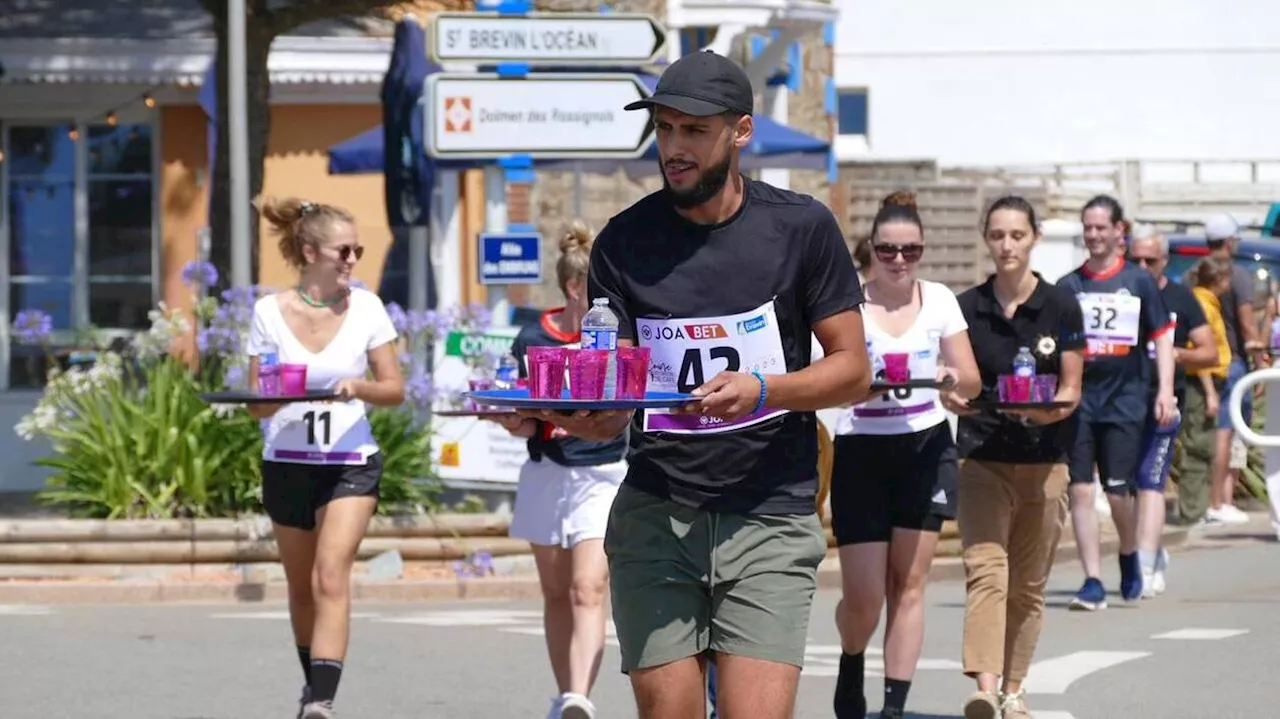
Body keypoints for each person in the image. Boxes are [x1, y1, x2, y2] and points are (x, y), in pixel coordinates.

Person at [524, 49, 872, 719]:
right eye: (665, 129)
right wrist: (570, 416)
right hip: (658, 510)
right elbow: (615, 395)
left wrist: (764, 390)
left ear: (740, 132)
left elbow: (853, 369)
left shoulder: (801, 229)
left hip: (770, 508)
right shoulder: (623, 244)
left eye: (693, 131)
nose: (674, 148)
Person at [244, 197, 405, 719]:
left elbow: (394, 389)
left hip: (349, 462)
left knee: (329, 576)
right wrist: (283, 394)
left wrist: (356, 386)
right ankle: (311, 684)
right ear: (310, 251)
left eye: (358, 250)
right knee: (300, 586)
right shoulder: (268, 312)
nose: (353, 259)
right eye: (344, 250)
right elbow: (256, 404)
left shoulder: (368, 308)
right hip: (287, 461)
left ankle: (321, 701)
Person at [829, 190, 982, 719]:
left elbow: (972, 380)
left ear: (922, 252)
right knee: (865, 594)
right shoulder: (846, 299)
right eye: (888, 250)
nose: (898, 261)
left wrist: (949, 381)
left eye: (910, 251)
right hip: (862, 451)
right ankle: (852, 658)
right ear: (870, 249)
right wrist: (858, 386)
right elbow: (823, 379)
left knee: (909, 583)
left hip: (925, 446)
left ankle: (894, 707)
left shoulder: (939, 299)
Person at [943, 196, 1085, 719]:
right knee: (987, 572)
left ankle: (1014, 688)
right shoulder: (966, 307)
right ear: (986, 238)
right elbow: (953, 380)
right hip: (981, 455)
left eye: (1017, 235)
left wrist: (1046, 412)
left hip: (1046, 458)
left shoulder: (1061, 305)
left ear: (1034, 238)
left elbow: (1071, 390)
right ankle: (985, 686)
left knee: (1027, 585)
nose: (1007, 245)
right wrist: (950, 396)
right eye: (998, 235)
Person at [491, 221, 628, 719]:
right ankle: (564, 692)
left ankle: (579, 698)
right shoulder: (533, 337)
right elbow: (526, 423)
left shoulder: (616, 335)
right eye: (601, 287)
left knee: (587, 586)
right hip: (548, 473)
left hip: (605, 473)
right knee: (554, 591)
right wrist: (512, 422)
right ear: (575, 289)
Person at [1055, 195, 1176, 611]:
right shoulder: (1069, 285)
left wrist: (1164, 389)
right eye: (1087, 228)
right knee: (1081, 490)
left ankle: (1128, 553)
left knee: (1120, 491)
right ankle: (1091, 578)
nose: (1093, 235)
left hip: (1127, 399)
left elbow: (1161, 335)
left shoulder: (1138, 281)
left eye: (1101, 228)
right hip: (1081, 400)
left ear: (1118, 231)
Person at [1125, 228, 1218, 596]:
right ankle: (1143, 552)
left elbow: (1209, 351)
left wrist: (1173, 353)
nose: (1144, 267)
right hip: (1121, 403)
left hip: (1164, 402)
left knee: (1151, 481)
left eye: (1152, 260)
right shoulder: (1120, 291)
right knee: (1125, 487)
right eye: (1137, 260)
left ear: (1165, 261)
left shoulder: (1181, 297)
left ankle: (1145, 564)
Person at [1202, 213, 1261, 525]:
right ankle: (1220, 502)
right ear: (1229, 241)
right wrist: (1260, 360)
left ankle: (1217, 501)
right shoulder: (1237, 274)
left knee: (1216, 433)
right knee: (1229, 432)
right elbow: (1247, 321)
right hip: (1233, 362)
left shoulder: (1194, 274)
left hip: (1202, 364)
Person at [1180, 257, 1235, 527]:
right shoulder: (1202, 304)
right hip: (1202, 383)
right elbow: (1197, 354)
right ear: (1219, 280)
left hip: (1213, 381)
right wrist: (1210, 392)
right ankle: (1192, 511)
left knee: (1205, 444)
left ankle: (1198, 509)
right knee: (1199, 446)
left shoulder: (1211, 302)